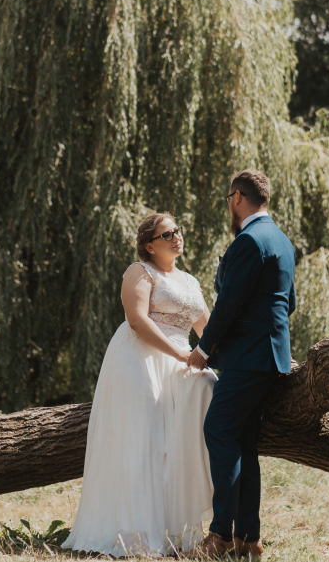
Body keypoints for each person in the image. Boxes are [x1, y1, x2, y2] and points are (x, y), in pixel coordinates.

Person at [63, 212, 218, 557]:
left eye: (177, 231)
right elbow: (137, 320)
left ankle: (179, 522)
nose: (176, 237)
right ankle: (136, 533)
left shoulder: (190, 281)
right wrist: (180, 355)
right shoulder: (140, 271)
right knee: (145, 441)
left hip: (182, 361)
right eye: (167, 235)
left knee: (191, 415)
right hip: (140, 361)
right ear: (149, 245)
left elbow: (208, 330)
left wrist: (219, 356)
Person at [187, 169, 296, 559]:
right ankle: (249, 539)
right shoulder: (281, 241)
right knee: (244, 445)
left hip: (247, 358)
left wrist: (203, 349)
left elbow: (229, 303)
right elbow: (289, 304)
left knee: (218, 430)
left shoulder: (249, 241)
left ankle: (219, 537)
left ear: (236, 198)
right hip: (269, 358)